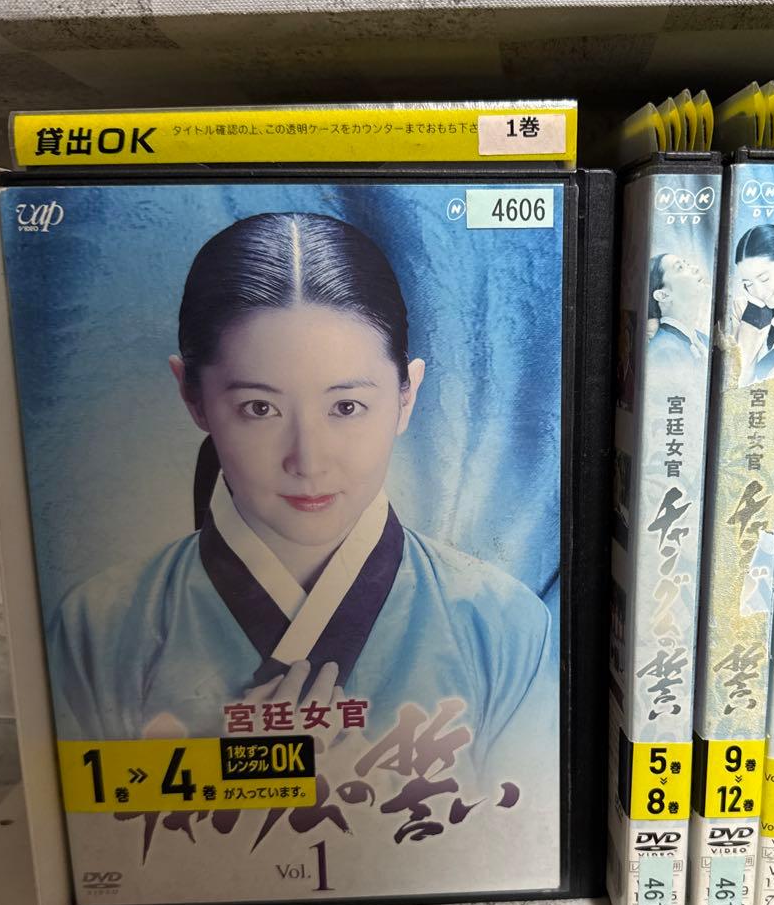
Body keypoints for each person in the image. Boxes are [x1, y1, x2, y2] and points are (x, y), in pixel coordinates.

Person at [48, 212, 557, 769]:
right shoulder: (100, 626)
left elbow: (516, 818)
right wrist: (239, 774)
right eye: (259, 408)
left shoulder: (503, 625)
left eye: (347, 406)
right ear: (192, 396)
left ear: (406, 396)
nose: (308, 461)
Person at [732, 224, 774, 386]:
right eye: (749, 284)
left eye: (764, 278)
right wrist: (755, 314)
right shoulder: (742, 310)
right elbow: (735, 380)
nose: (759, 292)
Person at [647, 253, 710, 365]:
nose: (696, 268)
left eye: (687, 264)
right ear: (663, 295)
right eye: (680, 267)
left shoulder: (705, 340)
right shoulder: (663, 350)